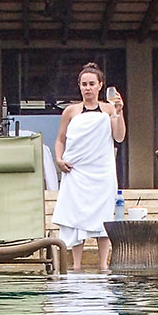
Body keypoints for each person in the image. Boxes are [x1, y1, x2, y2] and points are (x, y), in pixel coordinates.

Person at [52, 62, 126, 271]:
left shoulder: (109, 109)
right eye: (84, 84)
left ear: (100, 85)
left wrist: (119, 112)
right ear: (79, 86)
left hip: (102, 172)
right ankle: (76, 265)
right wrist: (59, 159)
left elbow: (119, 136)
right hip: (76, 171)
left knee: (103, 217)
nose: (88, 88)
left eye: (92, 83)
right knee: (76, 218)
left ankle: (103, 266)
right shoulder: (70, 111)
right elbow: (60, 140)